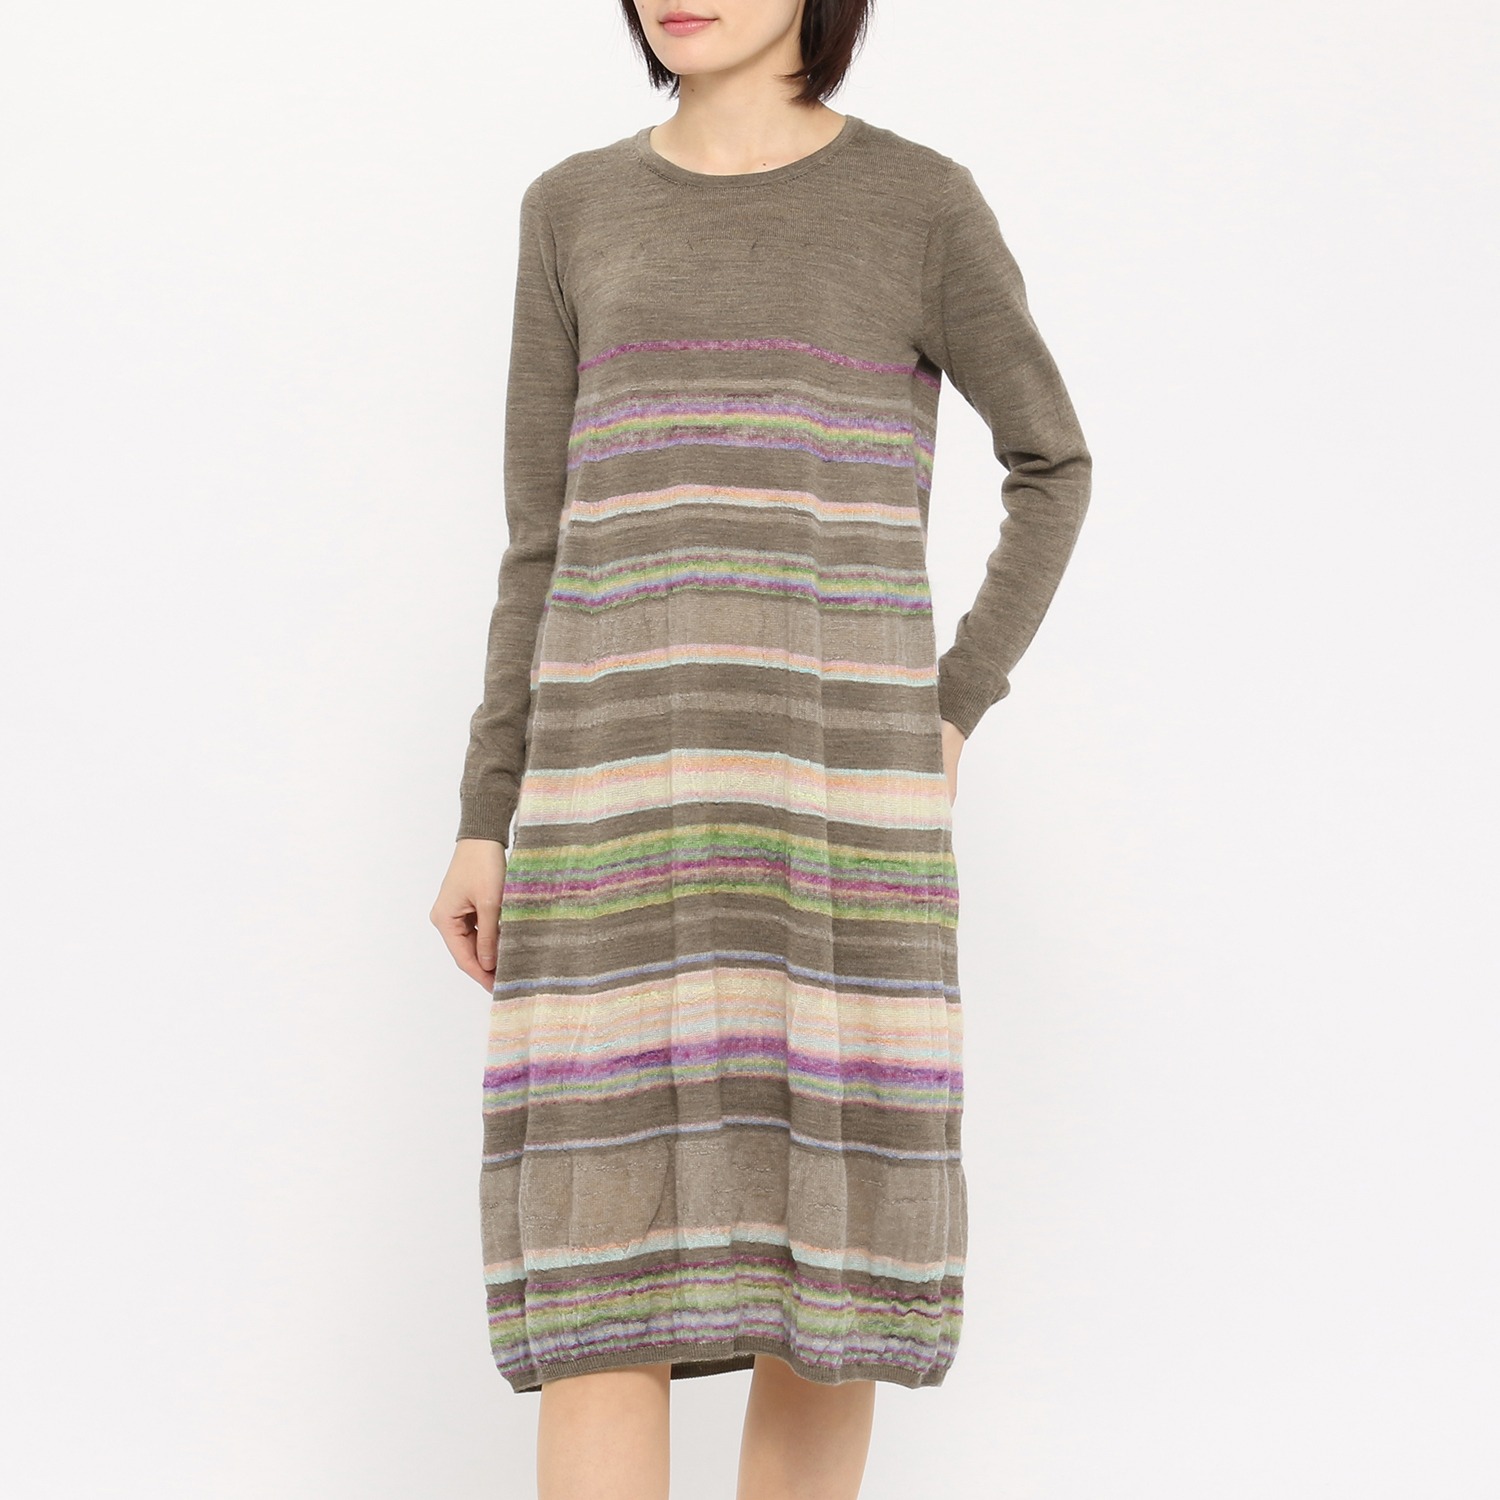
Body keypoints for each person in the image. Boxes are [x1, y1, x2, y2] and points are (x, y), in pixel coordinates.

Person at [430, 2, 1092, 1495]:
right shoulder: (573, 209)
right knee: (600, 1276)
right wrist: (486, 813)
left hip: (833, 807)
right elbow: (540, 541)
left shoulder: (918, 204)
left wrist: (952, 701)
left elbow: (1053, 463)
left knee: (828, 1278)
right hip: (608, 808)